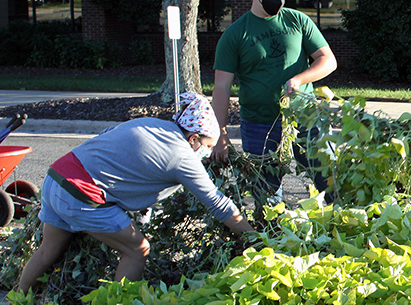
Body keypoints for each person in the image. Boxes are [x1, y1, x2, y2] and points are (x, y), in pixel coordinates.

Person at [15, 93, 254, 294]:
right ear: (193, 138)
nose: (207, 153)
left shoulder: (152, 124)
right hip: (82, 193)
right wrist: (253, 238)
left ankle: (17, 304)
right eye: (208, 146)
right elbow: (217, 203)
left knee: (48, 251)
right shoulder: (181, 155)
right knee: (137, 250)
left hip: (57, 176)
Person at [211, 0, 338, 206]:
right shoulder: (235, 34)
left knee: (331, 183)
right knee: (266, 200)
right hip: (259, 124)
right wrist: (220, 134)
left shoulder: (298, 21)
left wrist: (299, 79)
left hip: (306, 119)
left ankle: (340, 233)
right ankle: (277, 241)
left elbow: (328, 60)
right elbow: (221, 87)